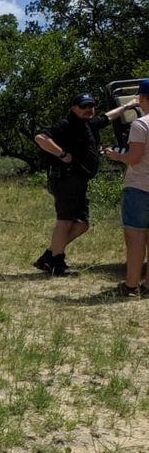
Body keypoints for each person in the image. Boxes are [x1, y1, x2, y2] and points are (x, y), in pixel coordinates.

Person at [32, 93, 140, 275]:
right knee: (65, 221)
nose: (88, 109)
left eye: (91, 106)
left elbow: (108, 117)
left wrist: (127, 106)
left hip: (79, 180)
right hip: (66, 179)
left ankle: (49, 256)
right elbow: (40, 138)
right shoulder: (66, 124)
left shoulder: (89, 124)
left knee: (82, 224)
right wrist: (62, 154)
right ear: (73, 108)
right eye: (84, 106)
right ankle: (57, 263)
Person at [103, 80, 149, 296]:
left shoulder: (140, 125)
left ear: (142, 98)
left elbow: (134, 157)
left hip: (139, 187)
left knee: (135, 237)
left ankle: (131, 285)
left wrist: (116, 155)